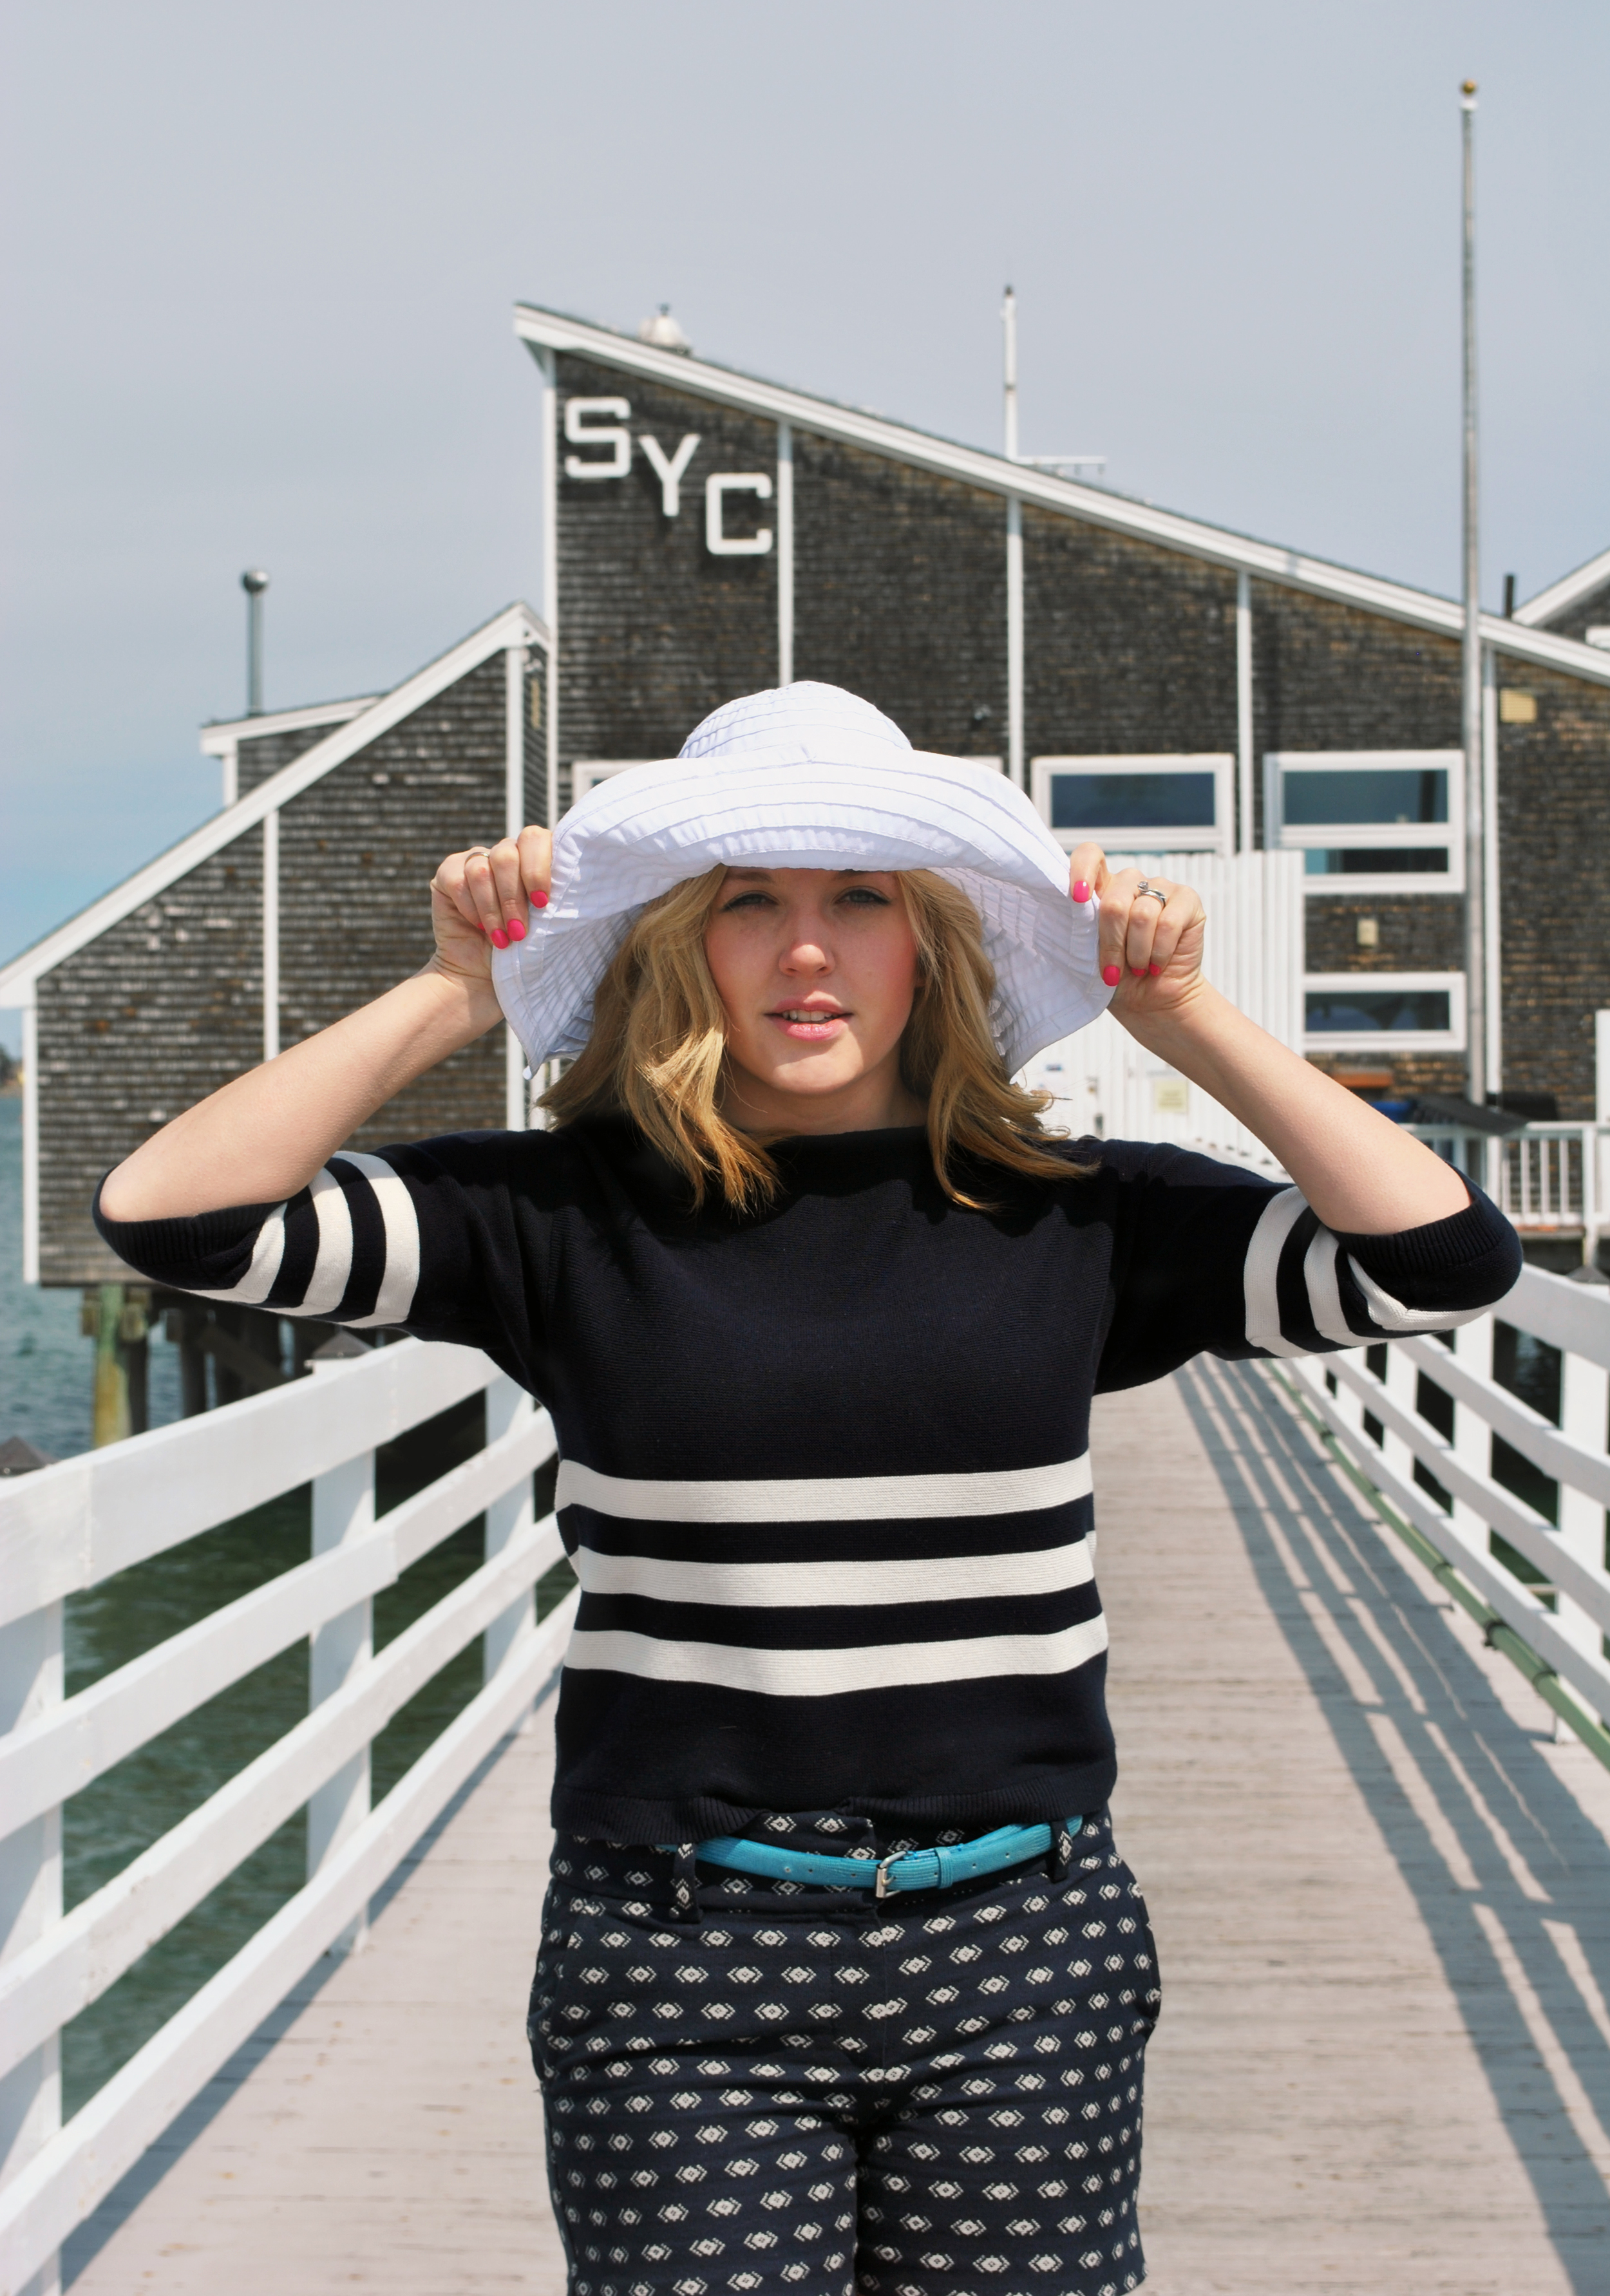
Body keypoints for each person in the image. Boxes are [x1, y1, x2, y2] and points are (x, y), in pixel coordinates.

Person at [97, 684, 1520, 2296]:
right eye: (746, 904)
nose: (805, 951)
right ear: (670, 948)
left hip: (1020, 1938)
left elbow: (1438, 1262)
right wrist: (452, 989)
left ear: (934, 944)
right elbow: (171, 1219)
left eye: (860, 899)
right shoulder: (557, 1217)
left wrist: (1178, 1013)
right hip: (678, 1943)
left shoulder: (1075, 1219)